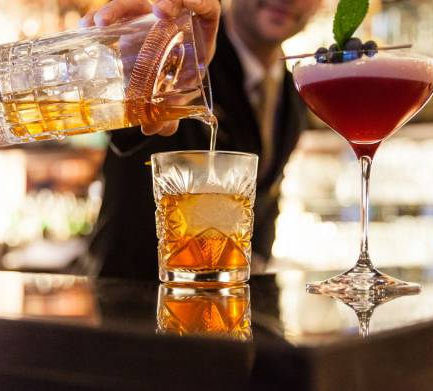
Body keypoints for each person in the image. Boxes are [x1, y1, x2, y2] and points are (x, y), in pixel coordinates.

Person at [80, 0, 320, 280]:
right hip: (131, 297)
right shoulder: (180, 55)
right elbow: (127, 124)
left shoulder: (298, 91)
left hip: (229, 304)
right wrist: (139, 45)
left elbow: (265, 198)